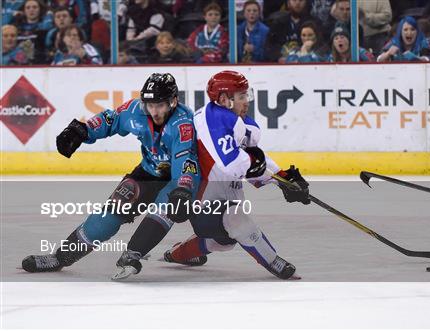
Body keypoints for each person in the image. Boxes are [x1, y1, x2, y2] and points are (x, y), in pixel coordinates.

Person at [21, 73, 201, 281]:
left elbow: (185, 159)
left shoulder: (183, 123)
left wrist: (183, 189)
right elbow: (111, 119)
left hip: (176, 179)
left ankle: (134, 254)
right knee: (108, 216)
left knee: (164, 211)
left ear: (173, 101)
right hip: (147, 172)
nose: (154, 111)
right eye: (149, 105)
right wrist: (83, 131)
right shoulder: (135, 109)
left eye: (159, 105)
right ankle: (60, 257)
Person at [162, 70, 311, 280]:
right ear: (224, 99)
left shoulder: (238, 121)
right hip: (200, 201)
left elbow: (251, 162)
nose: (247, 101)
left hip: (224, 196)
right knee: (235, 219)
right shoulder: (212, 118)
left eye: (246, 95)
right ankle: (273, 261)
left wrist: (283, 177)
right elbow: (231, 164)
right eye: (241, 96)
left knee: (224, 242)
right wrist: (267, 173)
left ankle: (177, 254)